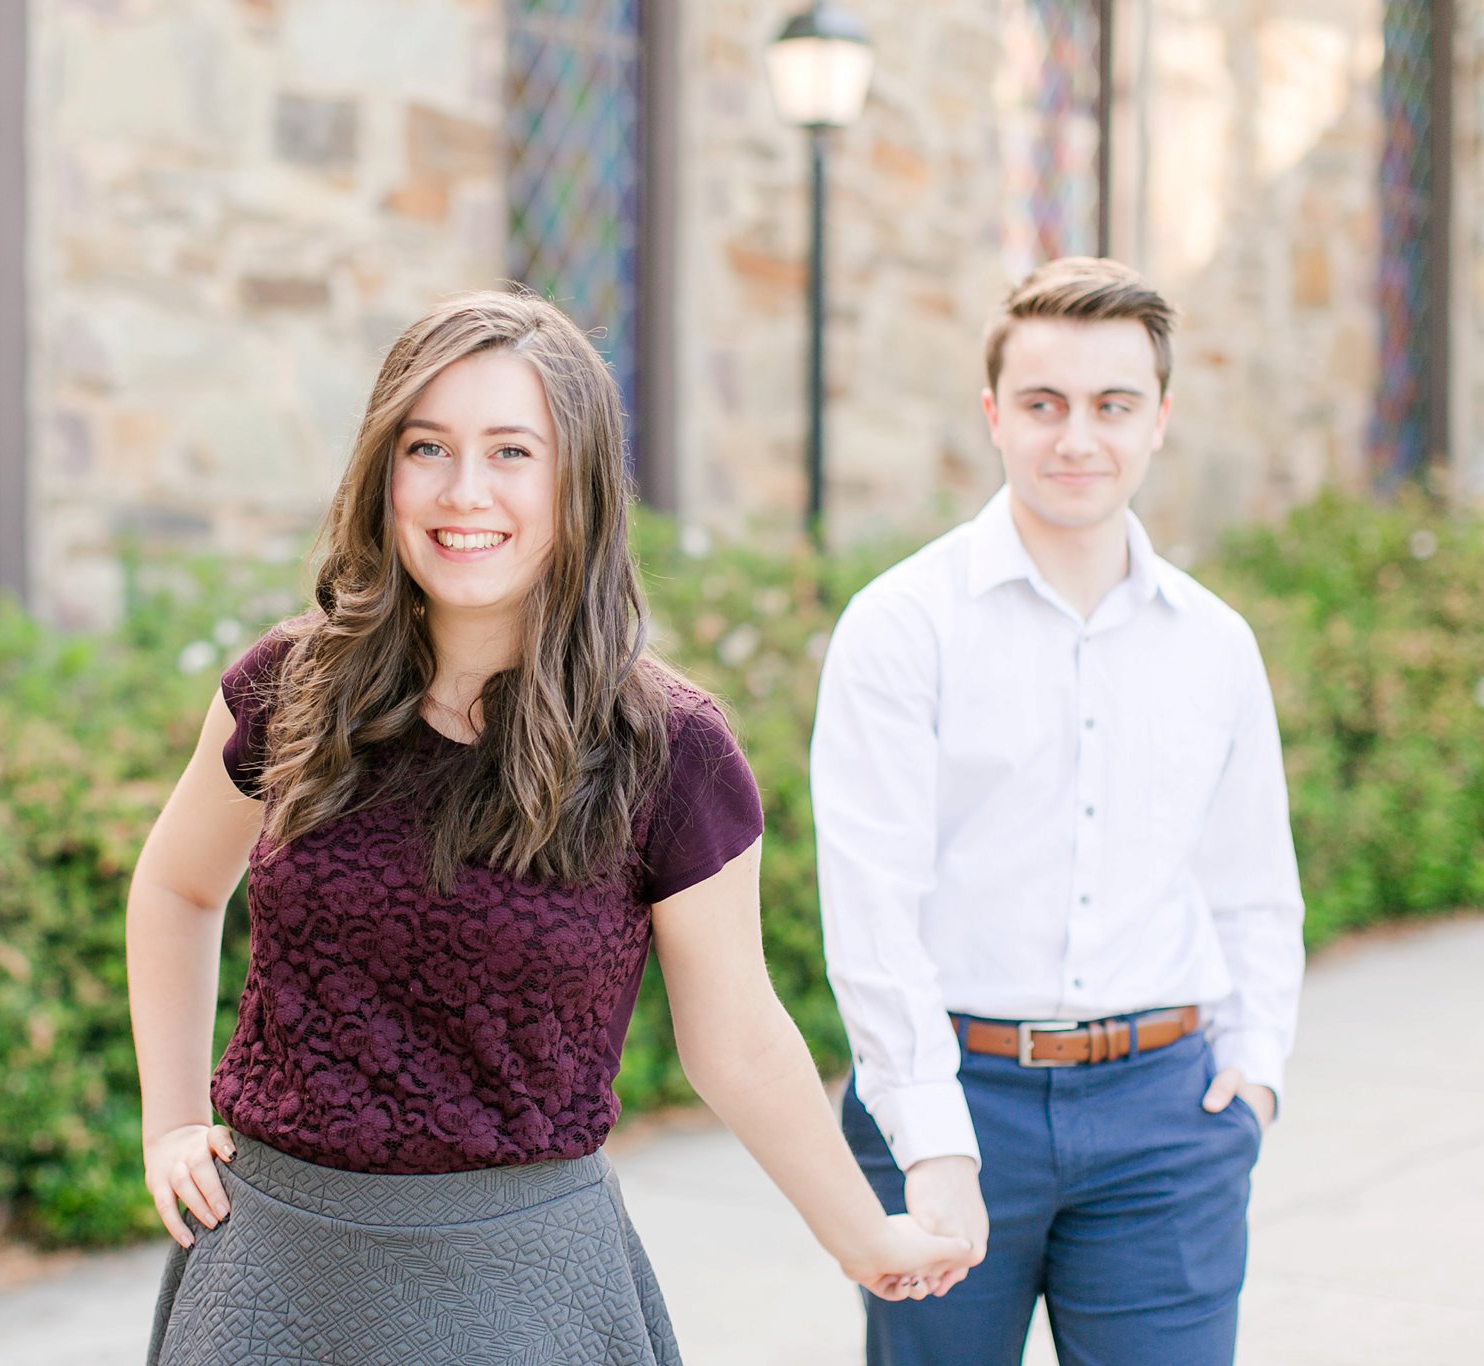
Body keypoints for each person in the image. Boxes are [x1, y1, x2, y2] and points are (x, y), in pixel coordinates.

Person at [127, 289, 972, 1366]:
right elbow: (176, 888)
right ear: (381, 472)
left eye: (510, 451)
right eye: (425, 446)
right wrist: (169, 1119)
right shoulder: (289, 687)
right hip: (273, 1272)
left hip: (522, 1285)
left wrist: (863, 1233)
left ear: (574, 485)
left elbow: (738, 1037)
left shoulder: (667, 749)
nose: (462, 490)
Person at [811, 257, 1306, 1365]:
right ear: (993, 415)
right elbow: (871, 910)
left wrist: (1255, 1075)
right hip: (947, 1099)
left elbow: (1251, 887)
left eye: (1110, 405)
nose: (1075, 437)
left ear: (1159, 420)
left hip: (1165, 1121)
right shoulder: (900, 627)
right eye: (1043, 404)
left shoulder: (1213, 643)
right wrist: (932, 1139)